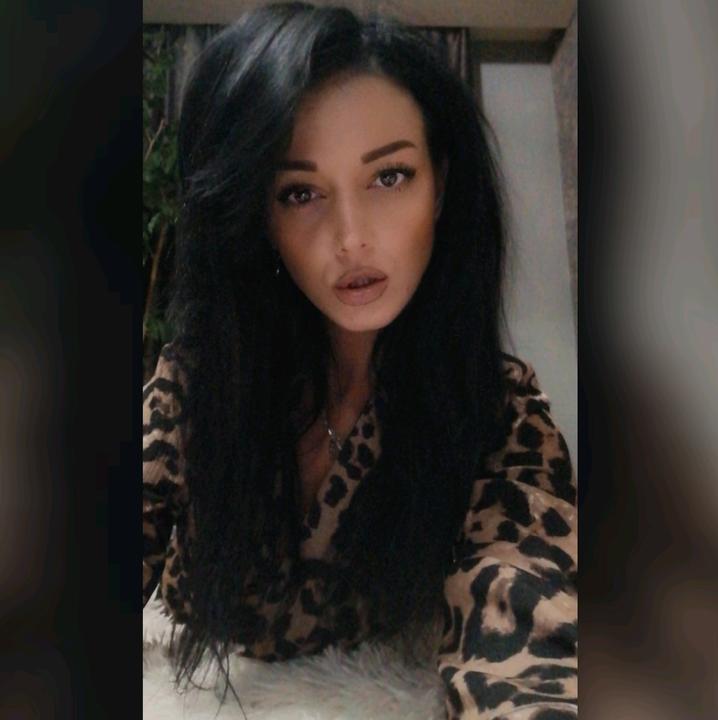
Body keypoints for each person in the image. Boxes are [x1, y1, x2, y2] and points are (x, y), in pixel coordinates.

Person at [142, 3, 577, 718]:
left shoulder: (493, 409)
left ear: (441, 184)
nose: (351, 238)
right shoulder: (200, 379)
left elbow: (530, 627)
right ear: (260, 215)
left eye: (390, 177)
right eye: (300, 193)